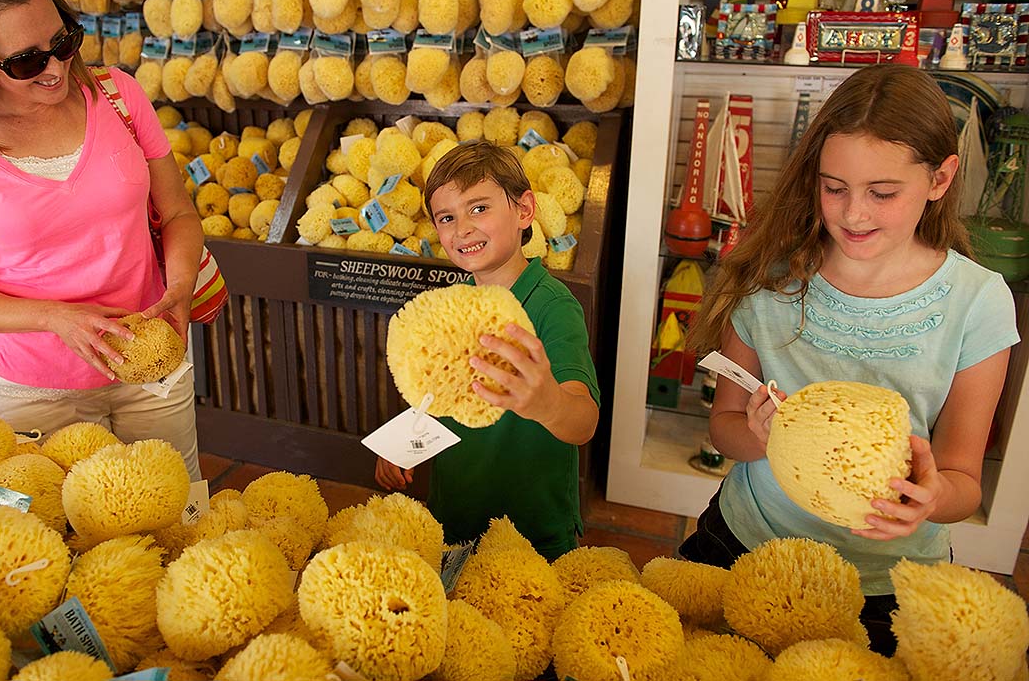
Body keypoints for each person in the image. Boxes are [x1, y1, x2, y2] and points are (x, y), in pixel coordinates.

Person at [682, 64, 1018, 655]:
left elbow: (964, 478)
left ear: (941, 178)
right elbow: (724, 426)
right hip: (746, 545)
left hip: (885, 582)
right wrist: (761, 435)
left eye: (882, 193)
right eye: (833, 187)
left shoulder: (978, 304)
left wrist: (931, 499)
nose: (853, 214)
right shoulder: (771, 284)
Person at [0, 0, 204, 480]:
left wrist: (179, 287)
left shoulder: (118, 95)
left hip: (151, 360)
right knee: (59, 538)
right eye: (27, 60)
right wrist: (53, 318)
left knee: (177, 511)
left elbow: (178, 213)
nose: (56, 67)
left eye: (63, 41)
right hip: (36, 388)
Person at [375, 140, 601, 560]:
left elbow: (583, 420)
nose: (462, 228)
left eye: (479, 208)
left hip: (533, 529)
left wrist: (547, 402)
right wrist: (401, 443)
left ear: (524, 210)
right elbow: (434, 393)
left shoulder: (553, 306)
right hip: (454, 515)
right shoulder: (451, 303)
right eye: (447, 217)